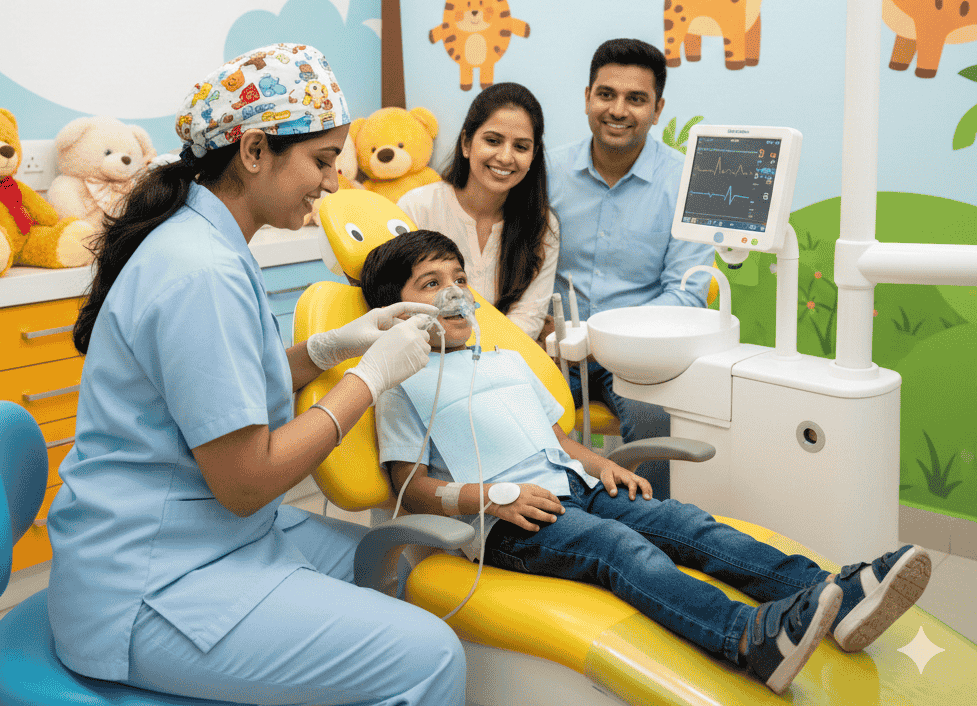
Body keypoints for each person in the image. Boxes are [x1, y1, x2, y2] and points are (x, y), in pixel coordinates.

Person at [46, 44, 466, 706]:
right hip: (153, 579)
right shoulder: (200, 271)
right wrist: (369, 379)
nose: (334, 182)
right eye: (321, 160)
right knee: (430, 656)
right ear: (253, 150)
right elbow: (247, 482)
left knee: (399, 567)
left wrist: (332, 348)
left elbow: (227, 387)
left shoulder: (208, 238)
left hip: (207, 532)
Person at [365, 229, 932, 696]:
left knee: (688, 524)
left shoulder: (504, 360)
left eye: (459, 278)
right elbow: (410, 487)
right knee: (620, 548)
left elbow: (557, 440)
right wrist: (489, 498)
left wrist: (602, 465)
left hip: (577, 486)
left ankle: (835, 592)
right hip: (513, 522)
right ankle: (747, 637)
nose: (454, 293)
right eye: (432, 283)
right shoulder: (401, 383)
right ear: (397, 310)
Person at [546, 38, 716, 499]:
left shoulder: (687, 183)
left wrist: (605, 339)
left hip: (638, 355)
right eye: (606, 94)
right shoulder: (546, 172)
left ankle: (653, 524)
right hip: (553, 344)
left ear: (657, 110)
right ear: (587, 98)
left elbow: (687, 294)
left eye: (636, 99)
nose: (618, 110)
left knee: (656, 420)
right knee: (508, 406)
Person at [397, 82, 558, 341]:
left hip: (507, 355)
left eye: (521, 147)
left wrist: (485, 353)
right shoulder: (416, 208)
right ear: (466, 143)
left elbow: (528, 318)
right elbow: (399, 305)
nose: (505, 157)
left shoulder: (543, 225)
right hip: (427, 353)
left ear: (533, 155)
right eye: (493, 141)